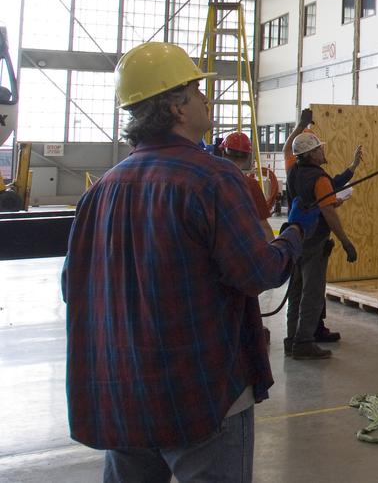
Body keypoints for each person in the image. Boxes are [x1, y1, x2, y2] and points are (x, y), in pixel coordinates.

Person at [63, 42, 314, 482]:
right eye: (197, 89)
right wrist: (292, 238)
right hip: (200, 396)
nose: (205, 98)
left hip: (122, 394)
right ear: (176, 107)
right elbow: (258, 272)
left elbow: (73, 288)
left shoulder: (101, 189)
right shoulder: (213, 179)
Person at [284, 125, 362, 359]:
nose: (322, 151)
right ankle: (305, 341)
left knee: (296, 291)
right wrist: (346, 242)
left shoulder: (294, 171)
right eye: (318, 149)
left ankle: (292, 339)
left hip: (295, 239)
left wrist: (352, 167)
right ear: (311, 154)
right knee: (313, 293)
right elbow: (328, 211)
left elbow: (330, 185)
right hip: (315, 242)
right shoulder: (318, 178)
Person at [221, 131, 275, 239]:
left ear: (223, 153)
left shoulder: (210, 180)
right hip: (241, 246)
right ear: (247, 157)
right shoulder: (251, 185)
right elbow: (264, 227)